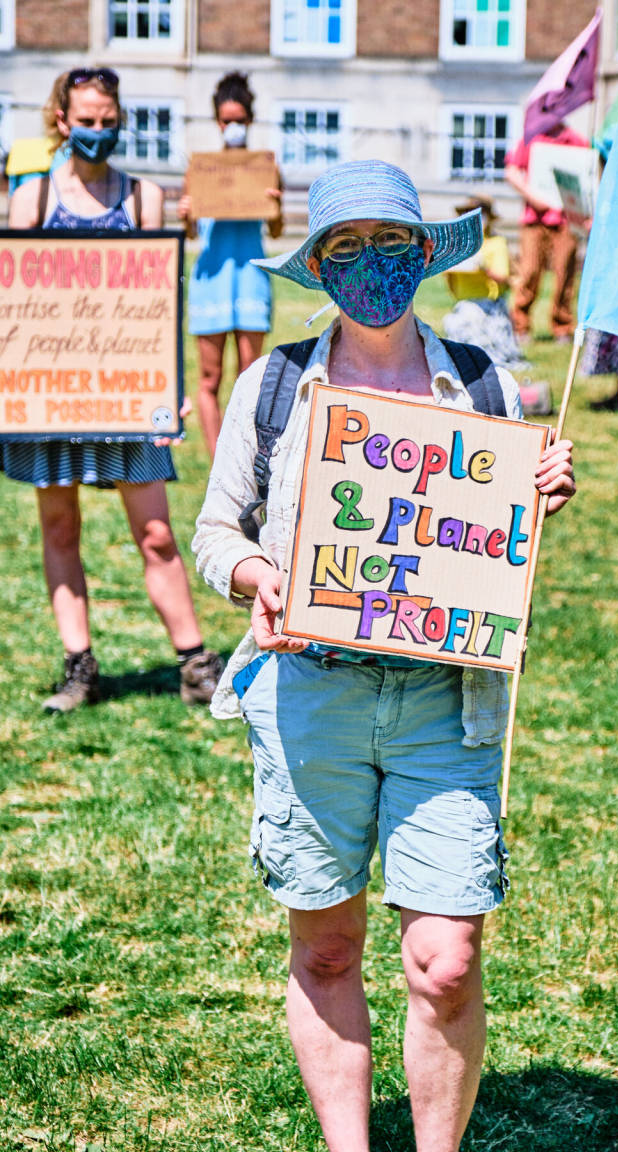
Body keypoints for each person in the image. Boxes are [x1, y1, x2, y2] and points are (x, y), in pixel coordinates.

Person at [194, 160, 575, 1150]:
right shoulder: (273, 385)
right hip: (310, 695)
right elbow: (213, 534)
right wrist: (254, 579)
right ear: (319, 263)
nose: (373, 266)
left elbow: (483, 542)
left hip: (446, 704)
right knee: (326, 950)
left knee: (443, 960)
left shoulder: (480, 381)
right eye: (349, 247)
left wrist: (535, 492)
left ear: (426, 255)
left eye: (393, 244)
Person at [4, 67, 223, 712]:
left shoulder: (144, 198)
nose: (98, 131)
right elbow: (14, 302)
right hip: (49, 395)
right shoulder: (33, 201)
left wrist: (169, 387)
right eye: (86, 120)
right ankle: (80, 667)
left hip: (127, 395)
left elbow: (162, 305)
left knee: (155, 531)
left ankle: (194, 664)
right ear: (62, 121)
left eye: (108, 120)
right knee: (58, 524)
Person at [178, 71, 284, 458]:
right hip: (212, 279)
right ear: (217, 121)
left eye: (240, 119)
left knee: (250, 376)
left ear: (250, 120)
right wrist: (186, 215)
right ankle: (219, 464)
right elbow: (191, 233)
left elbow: (275, 229)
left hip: (251, 276)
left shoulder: (265, 167)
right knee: (209, 379)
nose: (233, 126)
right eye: (227, 119)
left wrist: (274, 203)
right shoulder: (201, 168)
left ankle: (248, 458)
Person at [504, 120, 589, 344]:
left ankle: (562, 327)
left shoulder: (576, 140)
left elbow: (587, 178)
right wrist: (533, 197)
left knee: (565, 273)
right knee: (529, 271)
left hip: (566, 217)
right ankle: (520, 326)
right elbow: (512, 171)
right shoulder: (532, 137)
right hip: (535, 217)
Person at [442, 193, 525, 369]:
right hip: (464, 305)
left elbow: (503, 277)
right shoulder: (458, 245)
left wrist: (483, 268)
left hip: (490, 307)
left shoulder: (497, 243)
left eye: (479, 214)